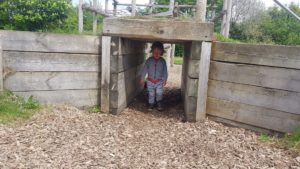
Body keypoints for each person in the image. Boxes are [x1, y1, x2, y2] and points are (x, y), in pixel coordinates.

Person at [140, 41, 168, 111]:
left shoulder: (162, 61)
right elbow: (144, 69)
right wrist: (142, 78)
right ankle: (151, 104)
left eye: (158, 53)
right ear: (152, 51)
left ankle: (159, 103)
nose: (156, 54)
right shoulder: (149, 60)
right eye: (155, 52)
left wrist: (165, 79)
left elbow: (165, 71)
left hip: (159, 81)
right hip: (150, 81)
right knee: (151, 93)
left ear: (161, 52)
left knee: (159, 93)